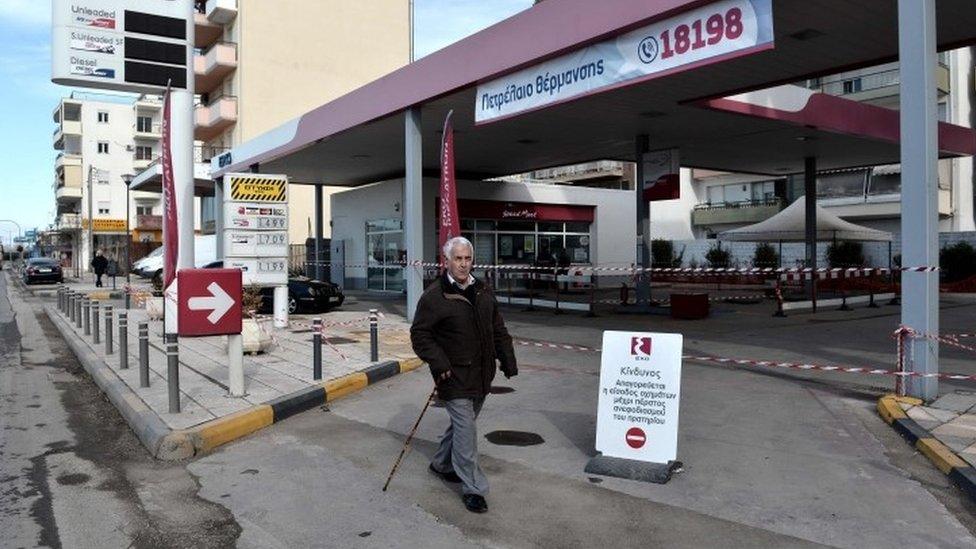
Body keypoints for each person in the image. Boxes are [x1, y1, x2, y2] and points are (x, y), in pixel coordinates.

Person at [410, 236, 518, 514]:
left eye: (467, 258)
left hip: (482, 374)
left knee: (461, 427)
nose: (463, 263)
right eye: (457, 258)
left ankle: (442, 464)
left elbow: (498, 329)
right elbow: (420, 336)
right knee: (467, 432)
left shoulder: (483, 291)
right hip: (453, 375)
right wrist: (440, 363)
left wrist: (507, 359)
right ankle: (473, 488)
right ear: (446, 261)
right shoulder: (435, 296)